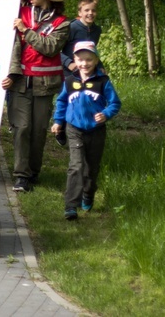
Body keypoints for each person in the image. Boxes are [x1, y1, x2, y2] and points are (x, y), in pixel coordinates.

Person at [1, 0, 70, 193]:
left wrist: (26, 31)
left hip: (45, 84)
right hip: (19, 82)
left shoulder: (62, 23)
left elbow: (50, 48)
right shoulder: (18, 14)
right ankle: (21, 176)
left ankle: (33, 171)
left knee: (38, 131)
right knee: (22, 128)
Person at [51, 41, 121, 220]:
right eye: (80, 59)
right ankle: (70, 206)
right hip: (74, 128)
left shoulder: (102, 82)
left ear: (96, 60)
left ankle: (88, 194)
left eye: (89, 59)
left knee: (91, 169)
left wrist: (105, 114)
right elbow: (61, 102)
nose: (85, 63)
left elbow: (115, 103)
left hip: (96, 130)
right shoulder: (69, 81)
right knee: (76, 166)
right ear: (75, 60)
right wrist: (58, 121)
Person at [61, 0, 102, 77]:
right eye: (86, 10)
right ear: (80, 12)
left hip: (88, 71)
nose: (90, 13)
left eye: (93, 10)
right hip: (69, 72)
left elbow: (93, 52)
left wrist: (100, 66)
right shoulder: (72, 27)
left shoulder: (97, 30)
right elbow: (56, 51)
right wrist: (69, 63)